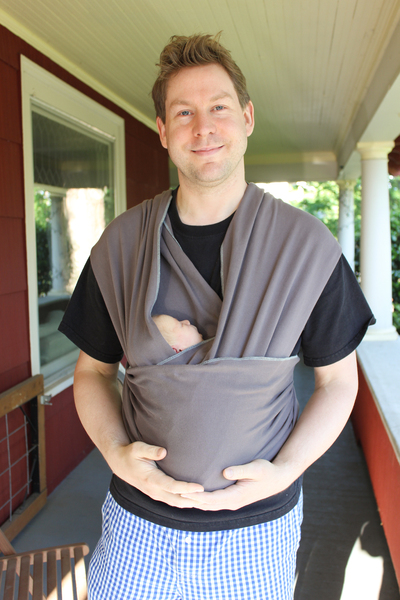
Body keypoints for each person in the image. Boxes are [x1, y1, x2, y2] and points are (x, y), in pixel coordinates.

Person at [59, 33, 375, 600]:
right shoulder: (122, 246)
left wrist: (286, 472)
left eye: (219, 107)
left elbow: (338, 384)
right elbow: (92, 373)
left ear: (247, 118)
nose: (203, 127)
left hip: (258, 531)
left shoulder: (306, 247)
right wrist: (117, 457)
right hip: (137, 527)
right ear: (163, 131)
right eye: (184, 112)